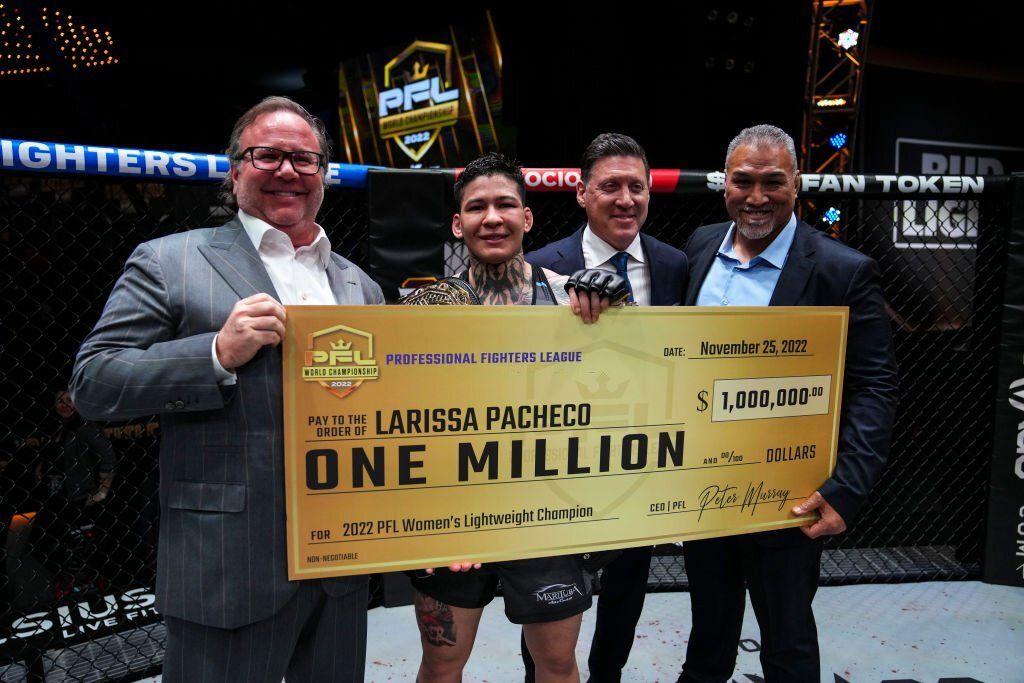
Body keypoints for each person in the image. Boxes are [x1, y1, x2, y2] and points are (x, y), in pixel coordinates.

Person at [70, 96, 383, 682]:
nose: (287, 170)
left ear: (324, 175)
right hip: (228, 566)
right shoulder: (170, 260)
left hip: (341, 565)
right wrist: (214, 353)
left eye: (304, 159)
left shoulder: (358, 283)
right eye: (267, 155)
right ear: (235, 169)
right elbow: (93, 381)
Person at [677, 124, 898, 683]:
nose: (756, 197)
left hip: (790, 497)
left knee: (788, 642)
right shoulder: (700, 246)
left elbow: (874, 387)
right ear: (724, 184)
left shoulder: (841, 270)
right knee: (708, 634)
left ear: (796, 184)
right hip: (703, 491)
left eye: (772, 182)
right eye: (743, 181)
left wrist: (847, 488)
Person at [407, 152, 628, 683]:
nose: (493, 217)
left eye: (506, 204)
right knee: (442, 663)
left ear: (527, 219)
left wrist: (621, 312)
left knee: (555, 663)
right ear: (458, 224)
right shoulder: (418, 309)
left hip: (546, 515)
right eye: (477, 207)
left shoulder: (572, 300)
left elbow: (614, 398)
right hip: (454, 515)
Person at [523, 133, 688, 682]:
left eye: (636, 187)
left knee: (627, 592)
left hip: (640, 461)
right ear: (582, 193)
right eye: (610, 186)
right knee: (549, 600)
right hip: (560, 462)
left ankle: (607, 677)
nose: (625, 199)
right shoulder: (540, 265)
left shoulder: (673, 265)